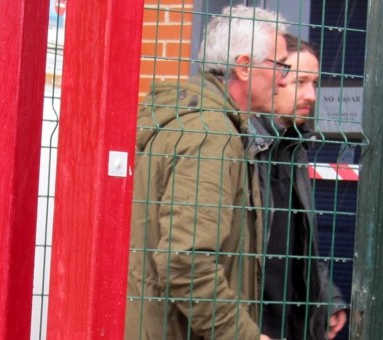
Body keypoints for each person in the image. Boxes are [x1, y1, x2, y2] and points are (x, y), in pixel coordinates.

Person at [126, 5, 290, 340]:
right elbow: (184, 261)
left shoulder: (198, 123)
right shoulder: (210, 135)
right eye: (281, 66)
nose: (284, 79)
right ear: (244, 67)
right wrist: (244, 335)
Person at [247, 34, 348, 340]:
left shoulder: (294, 147)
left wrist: (327, 297)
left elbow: (299, 241)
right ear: (271, 80)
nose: (312, 95)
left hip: (291, 323)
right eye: (300, 82)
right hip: (249, 323)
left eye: (314, 83)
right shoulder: (240, 145)